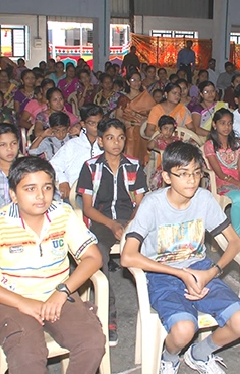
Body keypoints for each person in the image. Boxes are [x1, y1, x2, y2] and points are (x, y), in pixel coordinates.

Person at [0, 156, 105, 374]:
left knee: (92, 343)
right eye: (30, 189)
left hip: (57, 295)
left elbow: (93, 257)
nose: (40, 196)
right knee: (27, 356)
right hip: (10, 300)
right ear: (13, 194)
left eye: (47, 187)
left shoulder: (63, 215)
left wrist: (62, 291)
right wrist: (21, 302)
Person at [121, 142, 240, 374]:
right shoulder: (153, 204)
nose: (191, 180)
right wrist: (180, 273)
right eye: (182, 174)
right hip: (161, 275)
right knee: (184, 330)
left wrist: (211, 272)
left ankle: (199, 354)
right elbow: (128, 256)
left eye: (196, 173)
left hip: (200, 270)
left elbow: (235, 242)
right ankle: (169, 358)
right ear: (167, 177)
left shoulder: (204, 199)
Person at [77, 118, 147, 346]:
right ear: (100, 141)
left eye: (120, 138)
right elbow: (88, 208)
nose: (116, 143)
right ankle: (108, 313)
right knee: (98, 254)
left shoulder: (134, 166)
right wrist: (112, 224)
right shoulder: (91, 167)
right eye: (109, 138)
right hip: (102, 220)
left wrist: (129, 224)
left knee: (152, 247)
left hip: (130, 218)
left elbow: (141, 203)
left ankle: (156, 304)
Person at [204, 109, 240, 248]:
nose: (226, 127)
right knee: (239, 198)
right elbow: (219, 174)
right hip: (221, 182)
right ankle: (236, 236)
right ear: (214, 125)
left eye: (229, 123)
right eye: (222, 123)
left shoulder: (237, 143)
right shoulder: (210, 145)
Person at [51, 105, 104, 200]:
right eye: (92, 123)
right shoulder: (73, 145)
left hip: (101, 194)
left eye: (99, 123)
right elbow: (53, 165)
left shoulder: (106, 144)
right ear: (83, 124)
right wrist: (63, 180)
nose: (97, 127)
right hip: (75, 194)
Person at [115, 70, 156, 164]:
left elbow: (154, 114)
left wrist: (145, 122)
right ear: (128, 82)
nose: (136, 82)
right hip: (130, 129)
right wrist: (131, 123)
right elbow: (118, 116)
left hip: (145, 129)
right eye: (133, 80)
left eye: (138, 80)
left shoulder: (146, 97)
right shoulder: (124, 99)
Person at [145, 116, 180, 190]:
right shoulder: (159, 140)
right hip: (162, 166)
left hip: (175, 164)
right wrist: (155, 138)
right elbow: (149, 146)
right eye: (165, 128)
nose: (168, 132)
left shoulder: (175, 140)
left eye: (171, 129)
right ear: (160, 129)